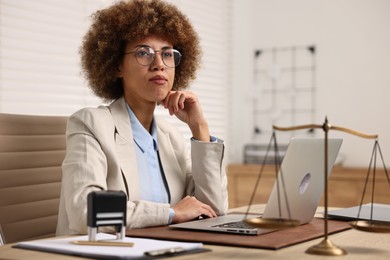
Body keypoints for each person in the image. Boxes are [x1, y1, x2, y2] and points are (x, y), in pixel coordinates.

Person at [56, 0, 228, 236]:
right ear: (117, 66)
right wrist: (170, 213)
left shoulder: (171, 137)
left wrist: (199, 128)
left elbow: (213, 209)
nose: (159, 64)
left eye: (167, 54)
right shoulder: (91, 124)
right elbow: (84, 210)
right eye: (143, 53)